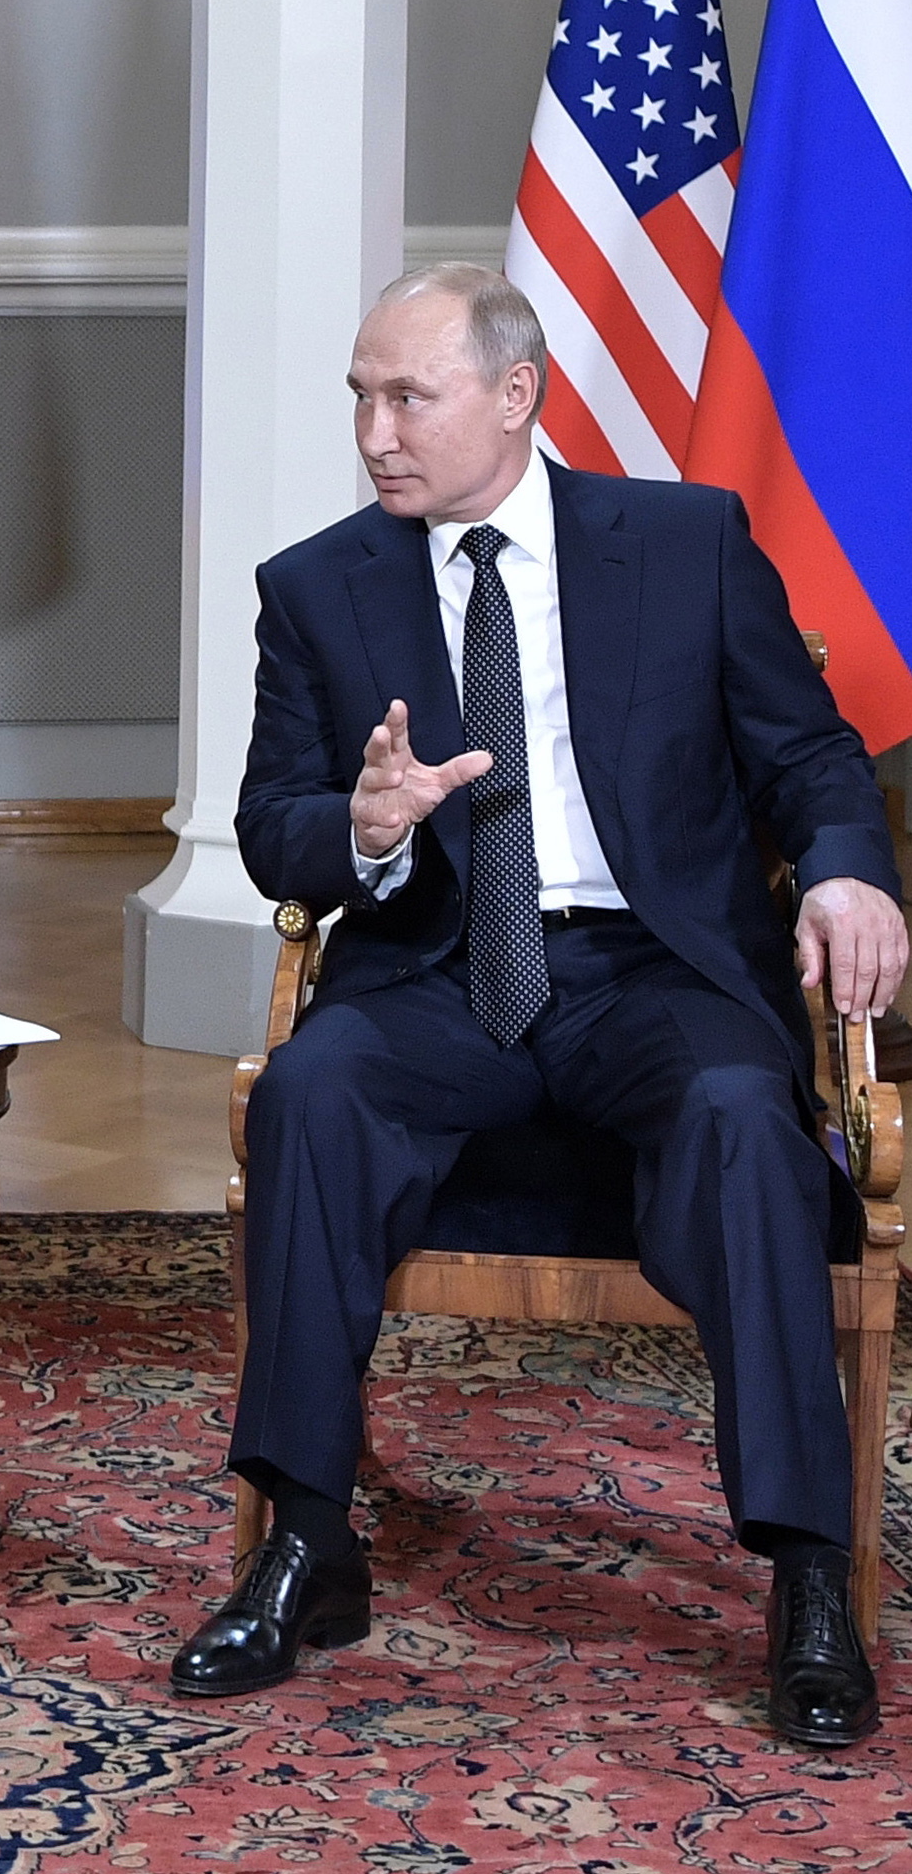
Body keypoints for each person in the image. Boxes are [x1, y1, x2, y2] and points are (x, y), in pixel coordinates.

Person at [183, 263, 906, 1745]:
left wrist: (843, 871)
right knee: (312, 1090)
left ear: (516, 395)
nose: (375, 433)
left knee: (741, 1117)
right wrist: (365, 829)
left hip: (653, 972)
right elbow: (272, 825)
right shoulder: (318, 586)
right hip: (441, 972)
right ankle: (305, 1538)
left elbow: (810, 755)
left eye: (409, 397)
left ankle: (807, 1572)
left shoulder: (688, 543)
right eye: (360, 398)